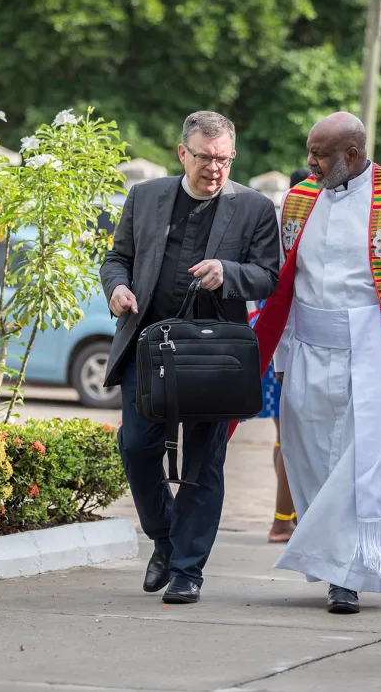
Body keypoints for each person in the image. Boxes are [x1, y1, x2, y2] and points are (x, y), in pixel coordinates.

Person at [254, 111, 381, 614]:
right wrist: (277, 355)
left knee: (363, 467)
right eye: (310, 152)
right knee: (311, 458)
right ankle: (336, 564)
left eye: (320, 155)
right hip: (306, 354)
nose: (309, 164)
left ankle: (349, 577)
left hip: (377, 357)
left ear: (353, 156)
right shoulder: (297, 201)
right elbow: (284, 283)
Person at [100, 111, 280, 604]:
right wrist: (117, 288)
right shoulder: (145, 196)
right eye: (205, 158)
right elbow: (117, 258)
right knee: (137, 448)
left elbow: (269, 275)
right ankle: (163, 537)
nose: (215, 168)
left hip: (216, 353)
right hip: (150, 348)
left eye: (224, 159)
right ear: (183, 153)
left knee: (204, 462)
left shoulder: (255, 208)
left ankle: (187, 570)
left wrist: (229, 272)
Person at [259, 166, 312, 544]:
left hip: (274, 346)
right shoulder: (289, 229)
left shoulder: (279, 228)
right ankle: (282, 520)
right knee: (290, 438)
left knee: (287, 437)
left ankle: (287, 517)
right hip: (283, 349)